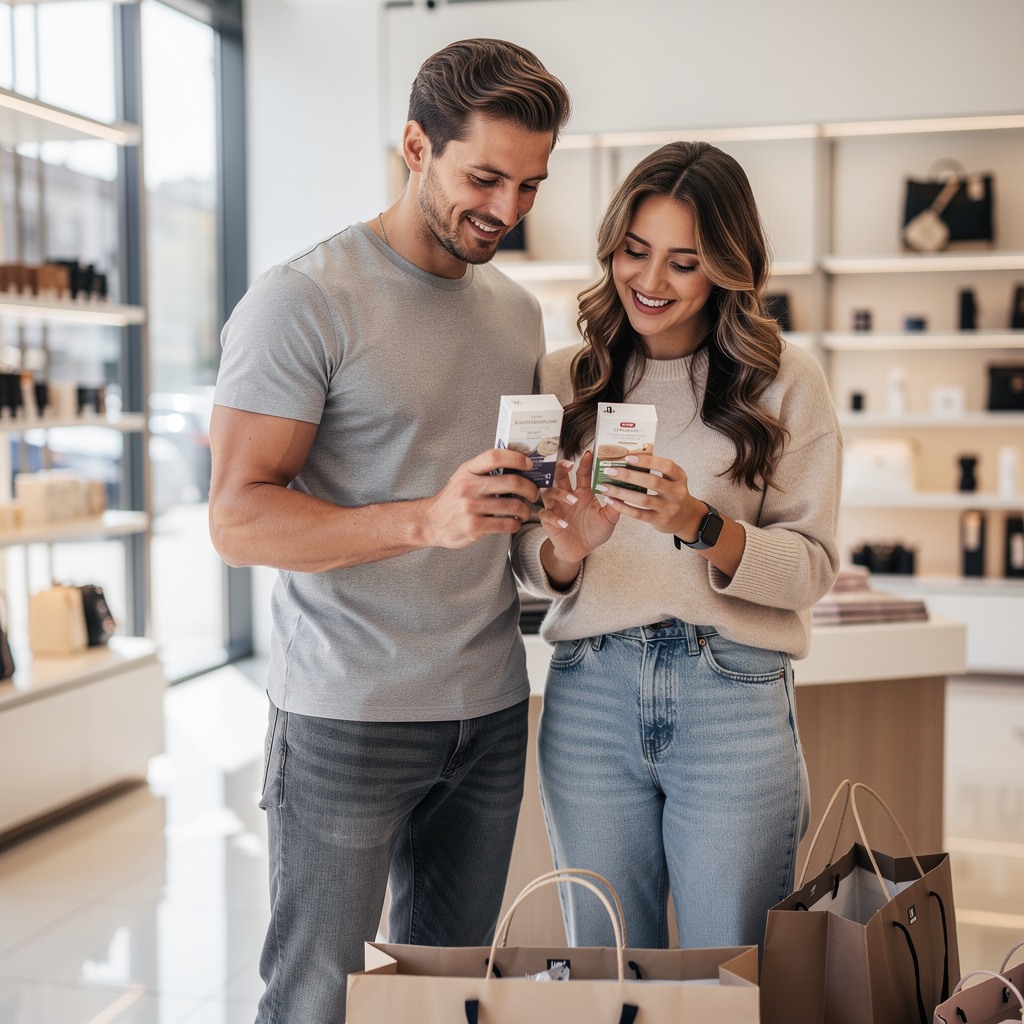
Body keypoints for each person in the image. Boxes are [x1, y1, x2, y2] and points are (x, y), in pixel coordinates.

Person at [208, 38, 571, 1023]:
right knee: (316, 997)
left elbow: (502, 519)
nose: (505, 210)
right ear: (415, 144)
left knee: (447, 996)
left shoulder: (513, 313)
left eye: (529, 185)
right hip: (343, 715)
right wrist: (426, 518)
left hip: (488, 710)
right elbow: (237, 519)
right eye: (483, 177)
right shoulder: (303, 298)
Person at [511, 140, 842, 952]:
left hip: (730, 692)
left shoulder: (783, 382)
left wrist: (699, 522)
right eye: (635, 251)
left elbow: (811, 569)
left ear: (727, 267)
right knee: (604, 964)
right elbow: (528, 554)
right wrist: (571, 548)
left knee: (727, 969)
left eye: (684, 263)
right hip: (589, 693)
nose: (650, 283)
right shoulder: (563, 377)